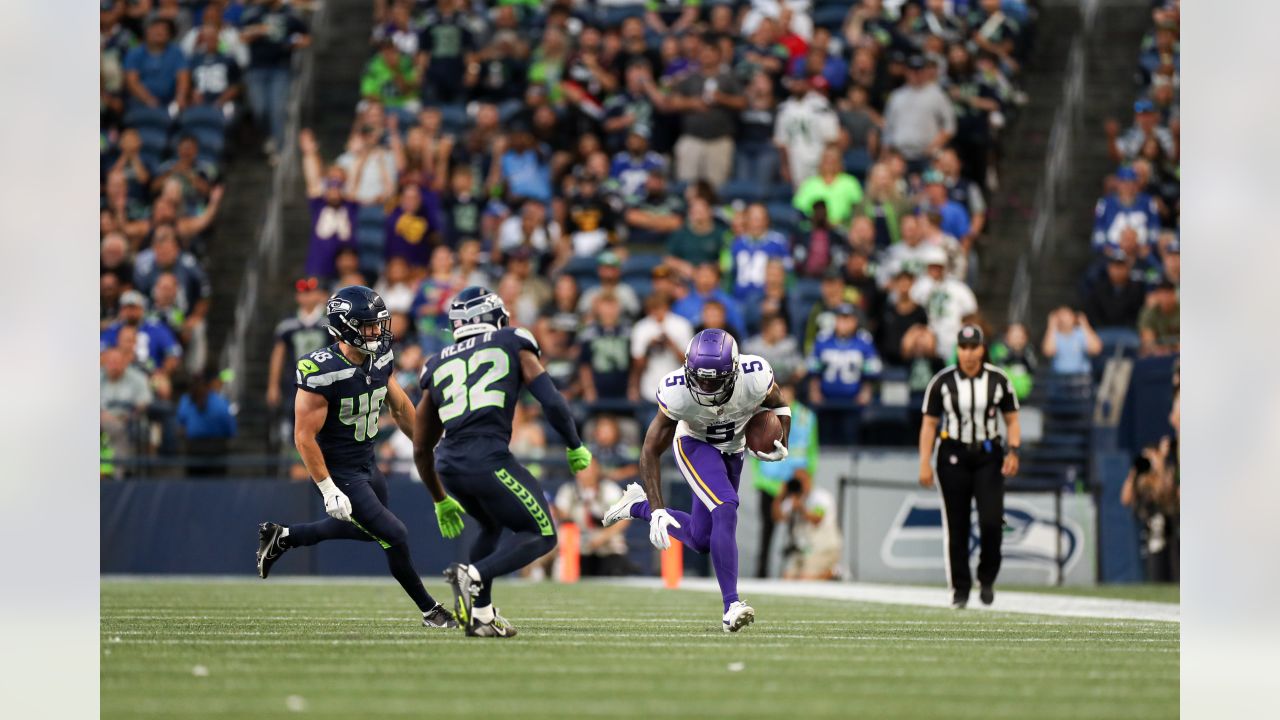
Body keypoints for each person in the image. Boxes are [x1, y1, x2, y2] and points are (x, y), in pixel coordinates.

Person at [255, 286, 464, 632]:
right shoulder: (320, 370)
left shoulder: (379, 357)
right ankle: (431, 611)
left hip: (367, 462)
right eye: (369, 326)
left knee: (369, 531)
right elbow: (303, 437)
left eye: (379, 324)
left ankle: (284, 537)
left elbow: (398, 406)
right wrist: (327, 487)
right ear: (346, 327)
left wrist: (427, 446)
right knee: (394, 534)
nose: (377, 332)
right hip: (339, 471)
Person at [416, 287, 594, 637]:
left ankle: (481, 615)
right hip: (487, 458)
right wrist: (574, 443)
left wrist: (439, 499)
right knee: (542, 534)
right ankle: (474, 575)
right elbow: (552, 401)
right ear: (495, 318)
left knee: (491, 525)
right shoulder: (512, 339)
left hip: (449, 464)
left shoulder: (436, 362)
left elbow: (422, 446)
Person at [602, 328, 793, 632]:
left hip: (733, 449)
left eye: (713, 380)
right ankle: (731, 605)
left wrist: (783, 440)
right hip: (694, 444)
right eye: (700, 378)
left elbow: (780, 405)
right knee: (726, 506)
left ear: (733, 371)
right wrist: (661, 506)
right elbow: (650, 450)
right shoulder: (677, 390)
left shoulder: (754, 375)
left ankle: (638, 506)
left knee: (703, 540)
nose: (705, 386)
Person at [918, 324, 1021, 609]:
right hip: (953, 455)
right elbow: (929, 425)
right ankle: (960, 589)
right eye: (963, 347)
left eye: (973, 346)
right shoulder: (942, 382)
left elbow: (1012, 419)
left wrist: (1013, 451)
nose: (968, 353)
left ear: (983, 348)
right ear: (957, 350)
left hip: (989, 454)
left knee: (991, 520)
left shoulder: (999, 380)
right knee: (957, 523)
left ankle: (986, 577)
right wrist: (924, 462)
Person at [748, 382, 817, 577]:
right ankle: (761, 572)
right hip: (769, 483)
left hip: (794, 482)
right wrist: (760, 479)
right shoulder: (764, 416)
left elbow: (812, 451)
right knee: (767, 531)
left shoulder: (806, 417)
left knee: (797, 530)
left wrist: (807, 477)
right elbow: (754, 449)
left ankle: (793, 572)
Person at [808, 304, 881, 444]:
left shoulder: (863, 341)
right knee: (825, 441)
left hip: (852, 402)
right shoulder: (824, 339)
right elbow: (813, 369)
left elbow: (874, 369)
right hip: (826, 401)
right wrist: (814, 390)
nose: (844, 323)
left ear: (855, 321)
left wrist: (866, 391)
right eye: (841, 319)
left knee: (850, 439)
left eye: (848, 319)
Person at [553, 461, 637, 577]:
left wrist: (603, 536)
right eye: (583, 469)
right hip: (578, 546)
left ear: (597, 471)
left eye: (590, 469)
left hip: (608, 546)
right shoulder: (568, 491)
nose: (587, 473)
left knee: (615, 564)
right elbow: (561, 513)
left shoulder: (609, 489)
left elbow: (624, 517)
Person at [776, 479, 842, 580]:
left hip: (823, 547)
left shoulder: (820, 497)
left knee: (806, 580)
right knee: (788, 578)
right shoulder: (793, 499)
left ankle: (834, 573)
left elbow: (817, 519)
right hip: (803, 549)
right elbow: (777, 516)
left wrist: (801, 509)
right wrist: (780, 496)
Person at [1041, 306, 1102, 375]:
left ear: (1073, 317)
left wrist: (1085, 324)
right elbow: (1048, 352)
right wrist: (1051, 325)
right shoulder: (1053, 335)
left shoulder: (1082, 333)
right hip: (1059, 378)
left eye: (1067, 316)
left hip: (1081, 377)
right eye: (1061, 316)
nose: (1064, 320)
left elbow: (1096, 350)